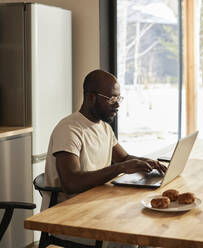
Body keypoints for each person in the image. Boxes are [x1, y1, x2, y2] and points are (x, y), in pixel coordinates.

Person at [41, 69, 167, 247]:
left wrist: (148, 162)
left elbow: (124, 158)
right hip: (68, 216)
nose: (117, 105)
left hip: (96, 206)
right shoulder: (69, 129)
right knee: (130, 238)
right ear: (91, 97)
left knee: (150, 228)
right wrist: (121, 168)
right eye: (112, 99)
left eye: (119, 98)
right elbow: (71, 183)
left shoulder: (104, 128)